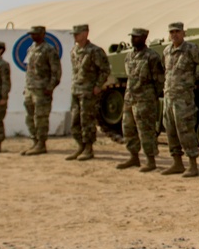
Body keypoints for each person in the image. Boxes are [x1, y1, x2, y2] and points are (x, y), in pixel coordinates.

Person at [161, 22, 199, 178]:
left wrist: (193, 77)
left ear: (184, 33)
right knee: (170, 130)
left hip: (184, 99)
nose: (174, 34)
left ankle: (193, 165)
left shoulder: (191, 49)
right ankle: (177, 163)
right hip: (169, 97)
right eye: (172, 32)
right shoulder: (167, 51)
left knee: (185, 130)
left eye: (177, 31)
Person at [116, 28, 165, 172]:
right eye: (132, 37)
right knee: (128, 128)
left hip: (145, 100)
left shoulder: (152, 56)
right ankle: (133, 156)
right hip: (130, 98)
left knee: (146, 130)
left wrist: (151, 96)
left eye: (136, 37)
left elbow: (159, 80)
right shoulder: (130, 55)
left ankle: (150, 160)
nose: (133, 39)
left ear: (144, 38)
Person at [66, 24, 111, 161]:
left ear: (85, 33)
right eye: (74, 34)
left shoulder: (95, 51)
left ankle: (88, 148)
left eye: (77, 34)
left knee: (87, 120)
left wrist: (98, 85)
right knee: (75, 120)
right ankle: (80, 145)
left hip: (88, 91)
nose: (75, 36)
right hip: (76, 90)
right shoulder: (74, 50)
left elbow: (105, 70)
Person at [21, 25, 61, 156]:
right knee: (30, 117)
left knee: (41, 118)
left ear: (43, 34)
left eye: (36, 34)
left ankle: (41, 144)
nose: (33, 36)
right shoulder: (31, 49)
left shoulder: (49, 50)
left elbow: (56, 72)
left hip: (42, 90)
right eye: (31, 34)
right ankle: (34, 141)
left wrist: (50, 88)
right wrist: (26, 87)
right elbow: (29, 70)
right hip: (30, 89)